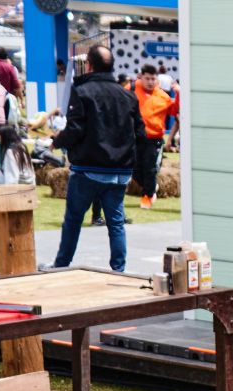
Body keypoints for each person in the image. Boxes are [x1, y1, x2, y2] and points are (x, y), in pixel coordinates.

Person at [49, 45, 145, 273]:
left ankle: (61, 265)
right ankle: (119, 269)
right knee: (116, 223)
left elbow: (74, 129)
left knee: (73, 220)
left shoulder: (82, 91)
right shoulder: (128, 96)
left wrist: (57, 141)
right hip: (120, 171)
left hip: (88, 168)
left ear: (89, 65)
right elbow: (140, 133)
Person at [132, 63, 179, 209]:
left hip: (154, 139)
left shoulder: (163, 96)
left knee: (150, 168)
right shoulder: (132, 89)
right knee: (133, 169)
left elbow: (175, 111)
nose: (151, 82)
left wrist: (179, 93)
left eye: (153, 79)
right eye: (148, 79)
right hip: (135, 137)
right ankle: (152, 187)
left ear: (157, 80)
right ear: (141, 77)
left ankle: (147, 196)